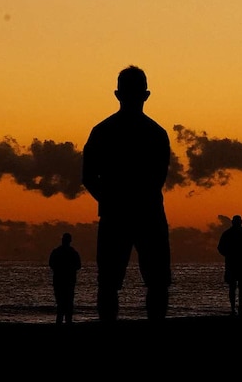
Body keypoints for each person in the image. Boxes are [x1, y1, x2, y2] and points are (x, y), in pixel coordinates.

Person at [82, 65, 173, 321]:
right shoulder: (156, 134)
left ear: (117, 94)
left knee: (111, 283)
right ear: (146, 95)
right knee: (154, 282)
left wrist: (110, 201)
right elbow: (158, 179)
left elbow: (88, 177)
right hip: (147, 213)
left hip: (120, 215)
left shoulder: (103, 131)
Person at [217, 215, 242, 316]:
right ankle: (237, 309)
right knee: (238, 287)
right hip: (238, 263)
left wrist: (229, 255)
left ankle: (236, 309)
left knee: (235, 287)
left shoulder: (228, 233)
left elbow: (220, 248)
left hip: (235, 263)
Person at [48, 232, 82, 324]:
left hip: (60, 280)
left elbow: (51, 264)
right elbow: (78, 265)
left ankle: (61, 320)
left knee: (61, 302)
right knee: (68, 302)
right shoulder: (73, 252)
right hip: (68, 280)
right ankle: (67, 321)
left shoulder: (57, 252)